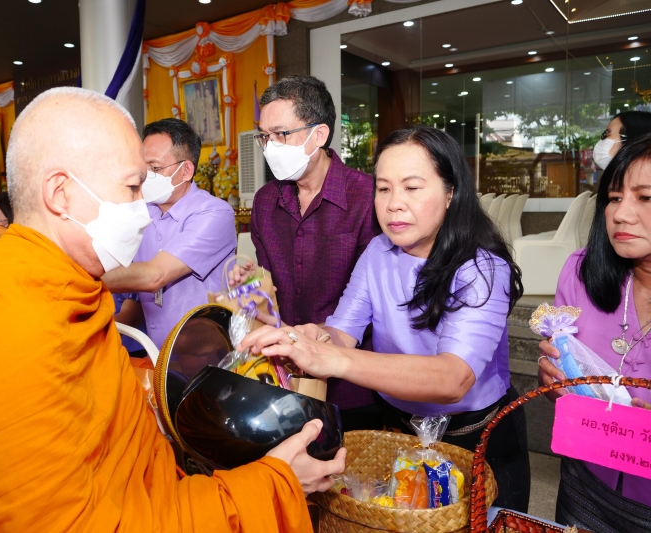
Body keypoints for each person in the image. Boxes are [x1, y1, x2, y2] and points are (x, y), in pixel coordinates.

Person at [0, 87, 345, 532]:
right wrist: (274, 480)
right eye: (132, 186)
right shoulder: (8, 330)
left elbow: (128, 477)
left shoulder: (67, 294)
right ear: (61, 193)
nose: (142, 210)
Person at [240, 125, 531, 512]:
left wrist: (336, 359)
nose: (394, 204)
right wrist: (311, 337)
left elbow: (453, 378)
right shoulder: (379, 251)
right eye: (383, 188)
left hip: (475, 435)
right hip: (401, 431)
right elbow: (343, 330)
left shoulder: (480, 269)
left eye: (412, 188)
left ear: (451, 193)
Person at [247, 74, 382, 430]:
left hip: (354, 383)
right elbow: (268, 288)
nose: (269, 146)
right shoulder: (265, 202)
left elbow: (379, 302)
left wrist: (320, 340)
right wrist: (250, 289)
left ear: (318, 135)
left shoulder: (367, 198)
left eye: (281, 134)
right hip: (287, 376)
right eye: (264, 136)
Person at [538, 135, 651, 532]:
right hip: (586, 478)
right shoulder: (582, 272)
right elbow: (561, 371)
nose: (621, 214)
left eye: (645, 198)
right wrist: (552, 374)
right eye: (614, 197)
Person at [102, 118, 236, 349]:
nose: (145, 176)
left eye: (155, 169)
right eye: (143, 168)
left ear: (185, 170)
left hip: (206, 353)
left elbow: (155, 275)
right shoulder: (140, 212)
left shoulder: (214, 213)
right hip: (156, 352)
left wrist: (79, 279)